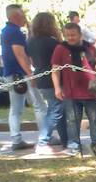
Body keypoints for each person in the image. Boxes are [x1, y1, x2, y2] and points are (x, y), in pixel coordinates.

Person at [52, 22, 96, 155]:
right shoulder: (60, 48)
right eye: (68, 35)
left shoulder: (90, 48)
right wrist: (57, 88)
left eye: (73, 35)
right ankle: (74, 146)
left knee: (94, 120)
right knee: (72, 121)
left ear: (80, 35)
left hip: (90, 91)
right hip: (71, 92)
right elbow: (55, 69)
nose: (70, 38)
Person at [25, 11, 66, 148]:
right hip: (53, 78)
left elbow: (32, 61)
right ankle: (43, 139)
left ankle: (65, 138)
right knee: (56, 109)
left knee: (56, 109)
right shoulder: (53, 42)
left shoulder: (30, 42)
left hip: (40, 77)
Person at [0, 4, 35, 151]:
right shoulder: (14, 32)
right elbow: (20, 55)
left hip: (11, 73)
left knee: (15, 109)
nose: (25, 18)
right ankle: (47, 136)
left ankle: (16, 139)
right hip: (19, 74)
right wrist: (30, 74)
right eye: (23, 15)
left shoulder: (6, 31)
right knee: (39, 105)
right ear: (15, 17)